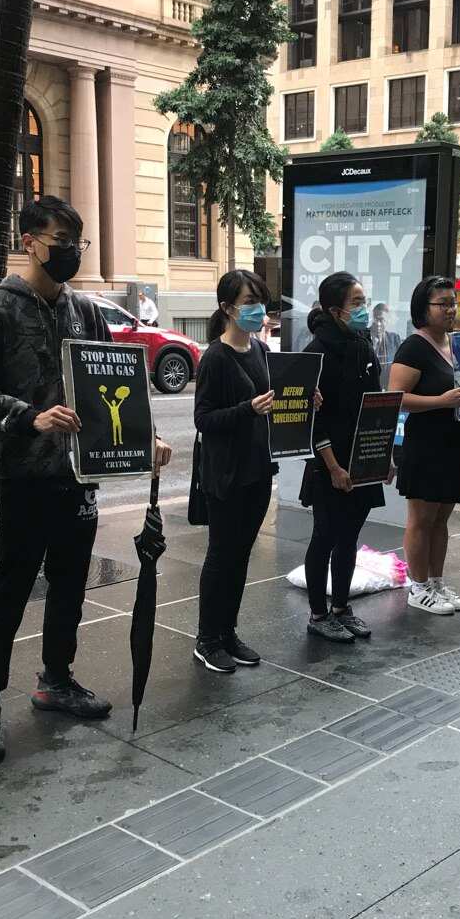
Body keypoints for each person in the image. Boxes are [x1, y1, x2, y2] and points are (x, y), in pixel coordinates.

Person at [0, 196, 172, 761]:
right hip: (24, 478)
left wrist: (141, 440)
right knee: (8, 592)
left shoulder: (86, 312)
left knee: (70, 586)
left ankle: (56, 679)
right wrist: (29, 416)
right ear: (29, 241)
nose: (69, 254)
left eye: (76, 244)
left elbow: (111, 386)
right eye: (59, 242)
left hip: (80, 477)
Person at [192, 270, 278, 671]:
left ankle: (227, 632)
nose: (257, 309)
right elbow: (204, 419)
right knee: (221, 556)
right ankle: (207, 639)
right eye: (248, 302)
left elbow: (274, 398)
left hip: (257, 470)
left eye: (259, 299)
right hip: (225, 474)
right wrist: (248, 410)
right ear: (227, 308)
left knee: (241, 555)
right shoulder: (214, 357)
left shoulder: (259, 350)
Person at [300, 272, 384, 641]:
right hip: (330, 463)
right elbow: (311, 419)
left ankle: (341, 607)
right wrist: (332, 465)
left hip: (362, 459)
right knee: (326, 536)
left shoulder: (363, 345)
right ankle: (319, 614)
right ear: (335, 311)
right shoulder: (316, 354)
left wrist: (383, 455)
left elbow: (376, 405)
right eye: (357, 303)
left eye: (364, 301)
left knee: (350, 536)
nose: (363, 309)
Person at [390, 276, 460, 614]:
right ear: (423, 308)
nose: (451, 309)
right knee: (421, 519)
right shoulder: (414, 347)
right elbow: (397, 398)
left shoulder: (455, 343)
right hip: (427, 444)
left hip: (454, 442)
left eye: (453, 302)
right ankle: (419, 586)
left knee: (442, 519)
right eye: (442, 303)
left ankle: (436, 582)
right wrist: (441, 401)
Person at [369, 302, 402, 376]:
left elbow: (399, 364)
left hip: (388, 382)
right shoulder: (363, 336)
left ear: (387, 321)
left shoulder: (394, 339)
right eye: (375, 319)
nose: (378, 323)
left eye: (381, 320)